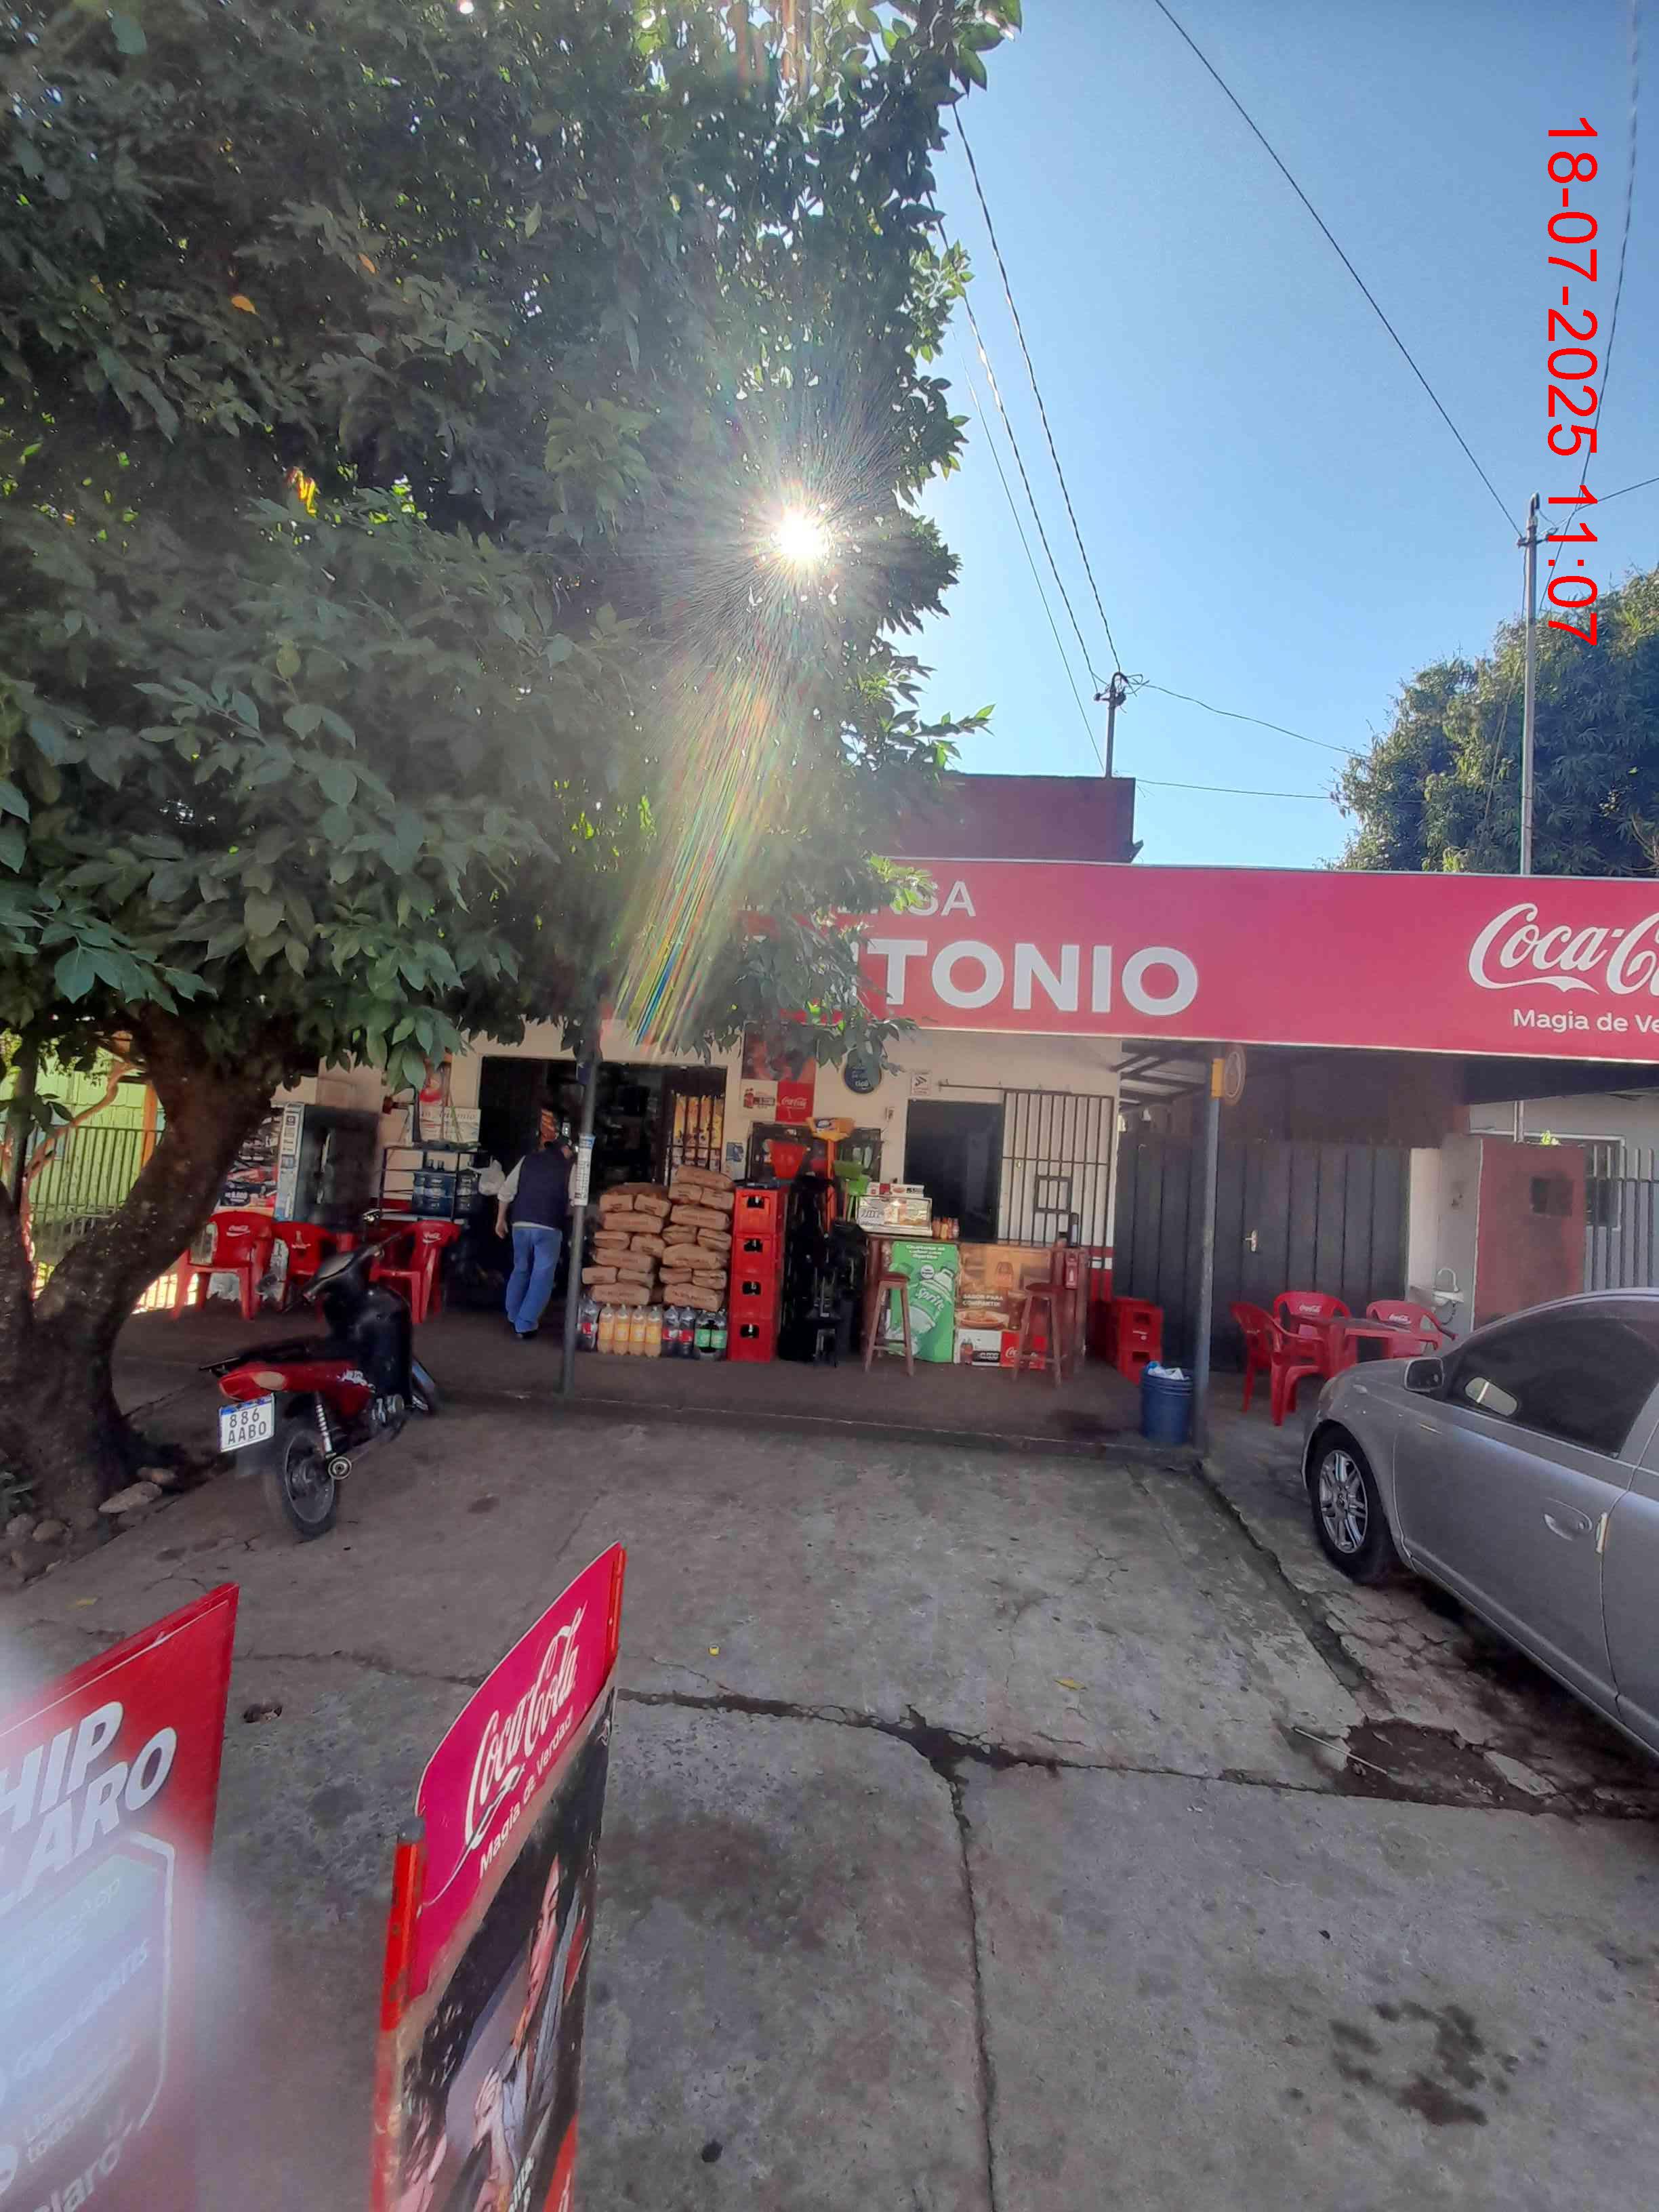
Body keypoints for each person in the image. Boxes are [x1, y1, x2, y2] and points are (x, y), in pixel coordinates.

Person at [495, 1103, 573, 1341]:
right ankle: (525, 1324)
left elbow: (506, 1191)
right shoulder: (569, 1167)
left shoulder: (527, 1160)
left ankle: (513, 1315)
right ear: (564, 1149)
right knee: (542, 1275)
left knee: (520, 1269)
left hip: (520, 1224)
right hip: (548, 1226)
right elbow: (574, 1199)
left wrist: (500, 1220)